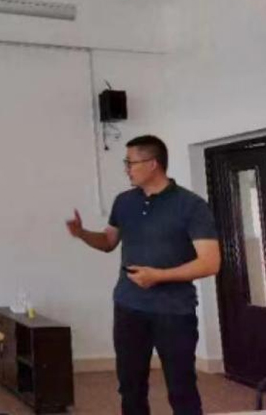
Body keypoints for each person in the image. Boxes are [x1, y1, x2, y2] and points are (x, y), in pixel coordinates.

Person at [66, 135, 220, 415]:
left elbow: (210, 263)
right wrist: (82, 233)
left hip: (174, 311)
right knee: (130, 387)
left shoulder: (191, 205)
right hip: (128, 307)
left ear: (152, 164)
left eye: (131, 162)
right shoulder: (124, 202)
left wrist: (159, 276)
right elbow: (108, 242)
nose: (126, 169)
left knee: (182, 388)